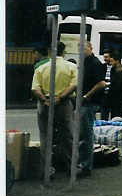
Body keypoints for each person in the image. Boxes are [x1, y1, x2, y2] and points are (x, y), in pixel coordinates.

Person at [31, 41, 77, 176]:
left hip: (44, 104)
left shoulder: (41, 68)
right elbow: (74, 85)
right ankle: (71, 166)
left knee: (45, 136)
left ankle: (47, 170)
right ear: (64, 52)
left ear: (50, 52)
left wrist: (44, 100)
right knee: (67, 135)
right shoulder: (71, 67)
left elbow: (35, 88)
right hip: (64, 104)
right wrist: (60, 98)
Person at [78, 41, 106, 177]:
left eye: (83, 48)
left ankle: (86, 166)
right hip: (83, 102)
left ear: (90, 48)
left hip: (89, 103)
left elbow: (101, 83)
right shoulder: (84, 62)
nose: (81, 51)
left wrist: (86, 96)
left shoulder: (95, 63)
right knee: (82, 133)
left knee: (86, 134)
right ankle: (82, 162)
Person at [104, 50, 122, 120]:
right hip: (119, 99)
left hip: (117, 99)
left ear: (117, 61)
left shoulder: (119, 71)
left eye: (112, 61)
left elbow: (116, 87)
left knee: (116, 117)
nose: (110, 63)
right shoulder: (120, 69)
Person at [100, 51, 112, 120]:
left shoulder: (114, 66)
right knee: (104, 113)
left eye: (106, 57)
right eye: (104, 57)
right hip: (104, 93)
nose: (105, 59)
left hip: (111, 93)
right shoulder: (102, 66)